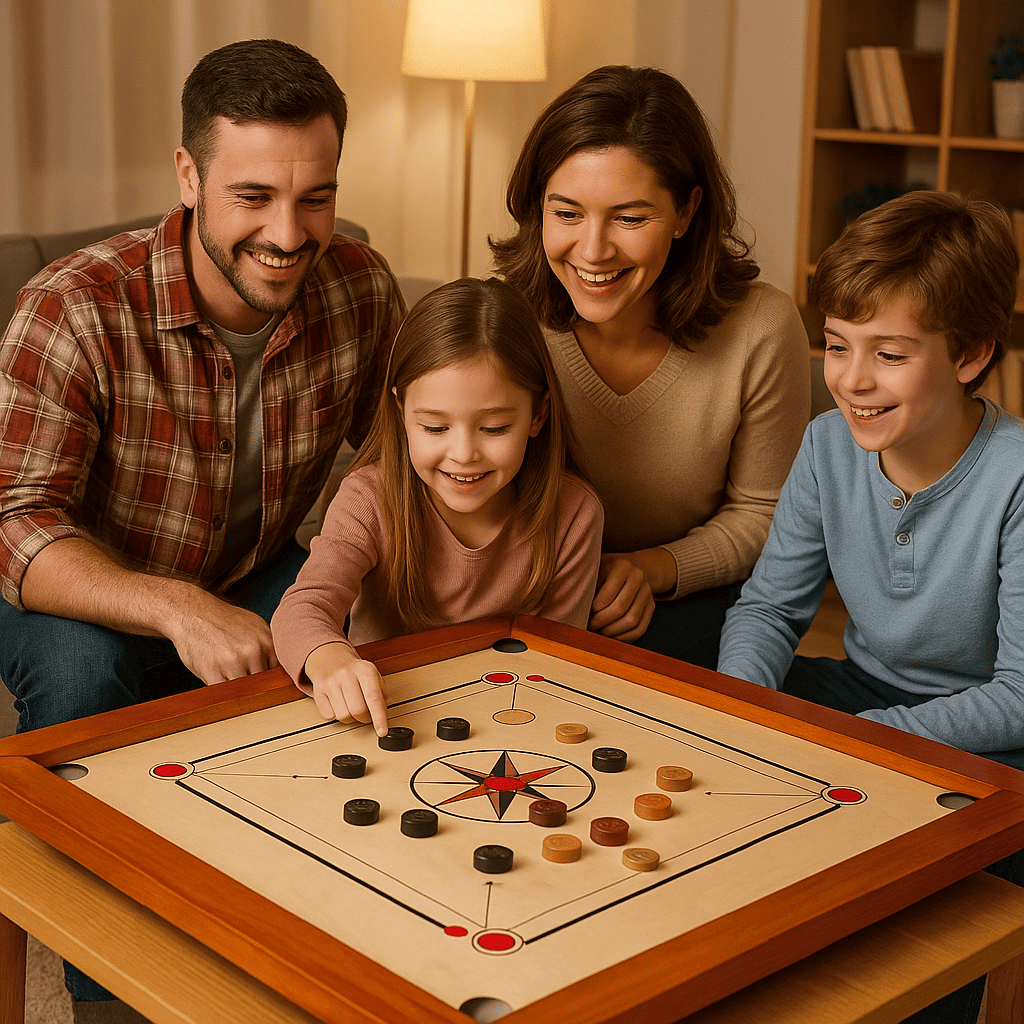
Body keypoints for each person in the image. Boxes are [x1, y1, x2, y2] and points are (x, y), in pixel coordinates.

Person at [0, 38, 404, 1009]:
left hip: (253, 567)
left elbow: (392, 459)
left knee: (340, 649)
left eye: (315, 198)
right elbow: (14, 524)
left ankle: (301, 937)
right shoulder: (74, 307)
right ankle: (106, 990)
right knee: (84, 671)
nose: (289, 231)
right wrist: (178, 610)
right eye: (253, 196)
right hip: (70, 583)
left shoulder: (361, 286)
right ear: (187, 175)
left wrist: (349, 586)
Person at [718, 190, 1023, 1024]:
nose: (851, 380)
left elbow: (1018, 694)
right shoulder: (824, 445)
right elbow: (769, 610)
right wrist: (747, 702)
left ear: (970, 354)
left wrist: (864, 743)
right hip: (866, 694)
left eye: (889, 354)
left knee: (945, 898)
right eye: (839, 346)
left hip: (1000, 739)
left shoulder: (1017, 476)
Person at [490, 65, 810, 669]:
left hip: (690, 595)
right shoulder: (503, 319)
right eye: (566, 214)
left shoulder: (762, 327)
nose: (592, 251)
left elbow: (766, 515)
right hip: (531, 588)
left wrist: (654, 568)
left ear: (687, 212)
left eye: (630, 219)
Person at [272, 277, 603, 733]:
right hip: (384, 720)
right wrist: (330, 659)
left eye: (493, 429)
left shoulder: (574, 513)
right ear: (400, 413)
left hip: (511, 723)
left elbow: (557, 663)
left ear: (538, 415)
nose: (464, 453)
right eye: (434, 428)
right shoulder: (368, 499)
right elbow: (303, 608)